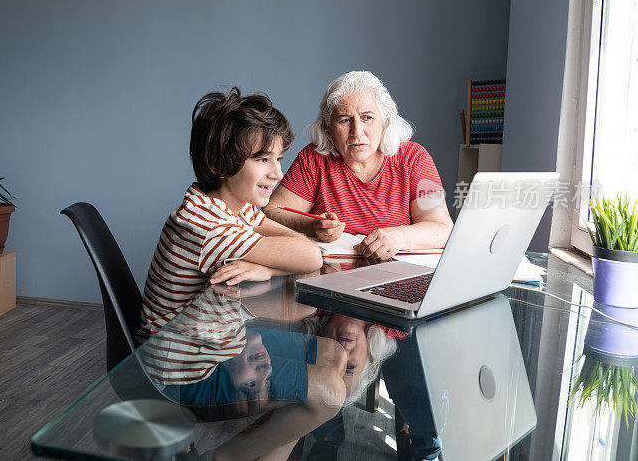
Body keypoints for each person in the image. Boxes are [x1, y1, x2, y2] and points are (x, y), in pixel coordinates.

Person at [135, 87, 346, 460]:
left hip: (215, 342)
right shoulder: (208, 226)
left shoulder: (230, 205)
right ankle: (228, 456)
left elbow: (296, 244)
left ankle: (251, 453)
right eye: (263, 160)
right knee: (328, 393)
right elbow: (311, 255)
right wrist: (283, 258)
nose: (277, 173)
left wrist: (264, 263)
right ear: (219, 164)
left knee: (332, 354)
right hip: (184, 370)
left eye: (278, 158)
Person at [265, 71, 453, 260]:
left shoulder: (414, 158)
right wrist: (311, 226)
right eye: (345, 120)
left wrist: (399, 237)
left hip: (395, 276)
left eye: (367, 118)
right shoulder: (314, 159)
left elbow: (442, 229)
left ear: (385, 122)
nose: (357, 131)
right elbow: (272, 212)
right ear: (329, 130)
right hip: (329, 277)